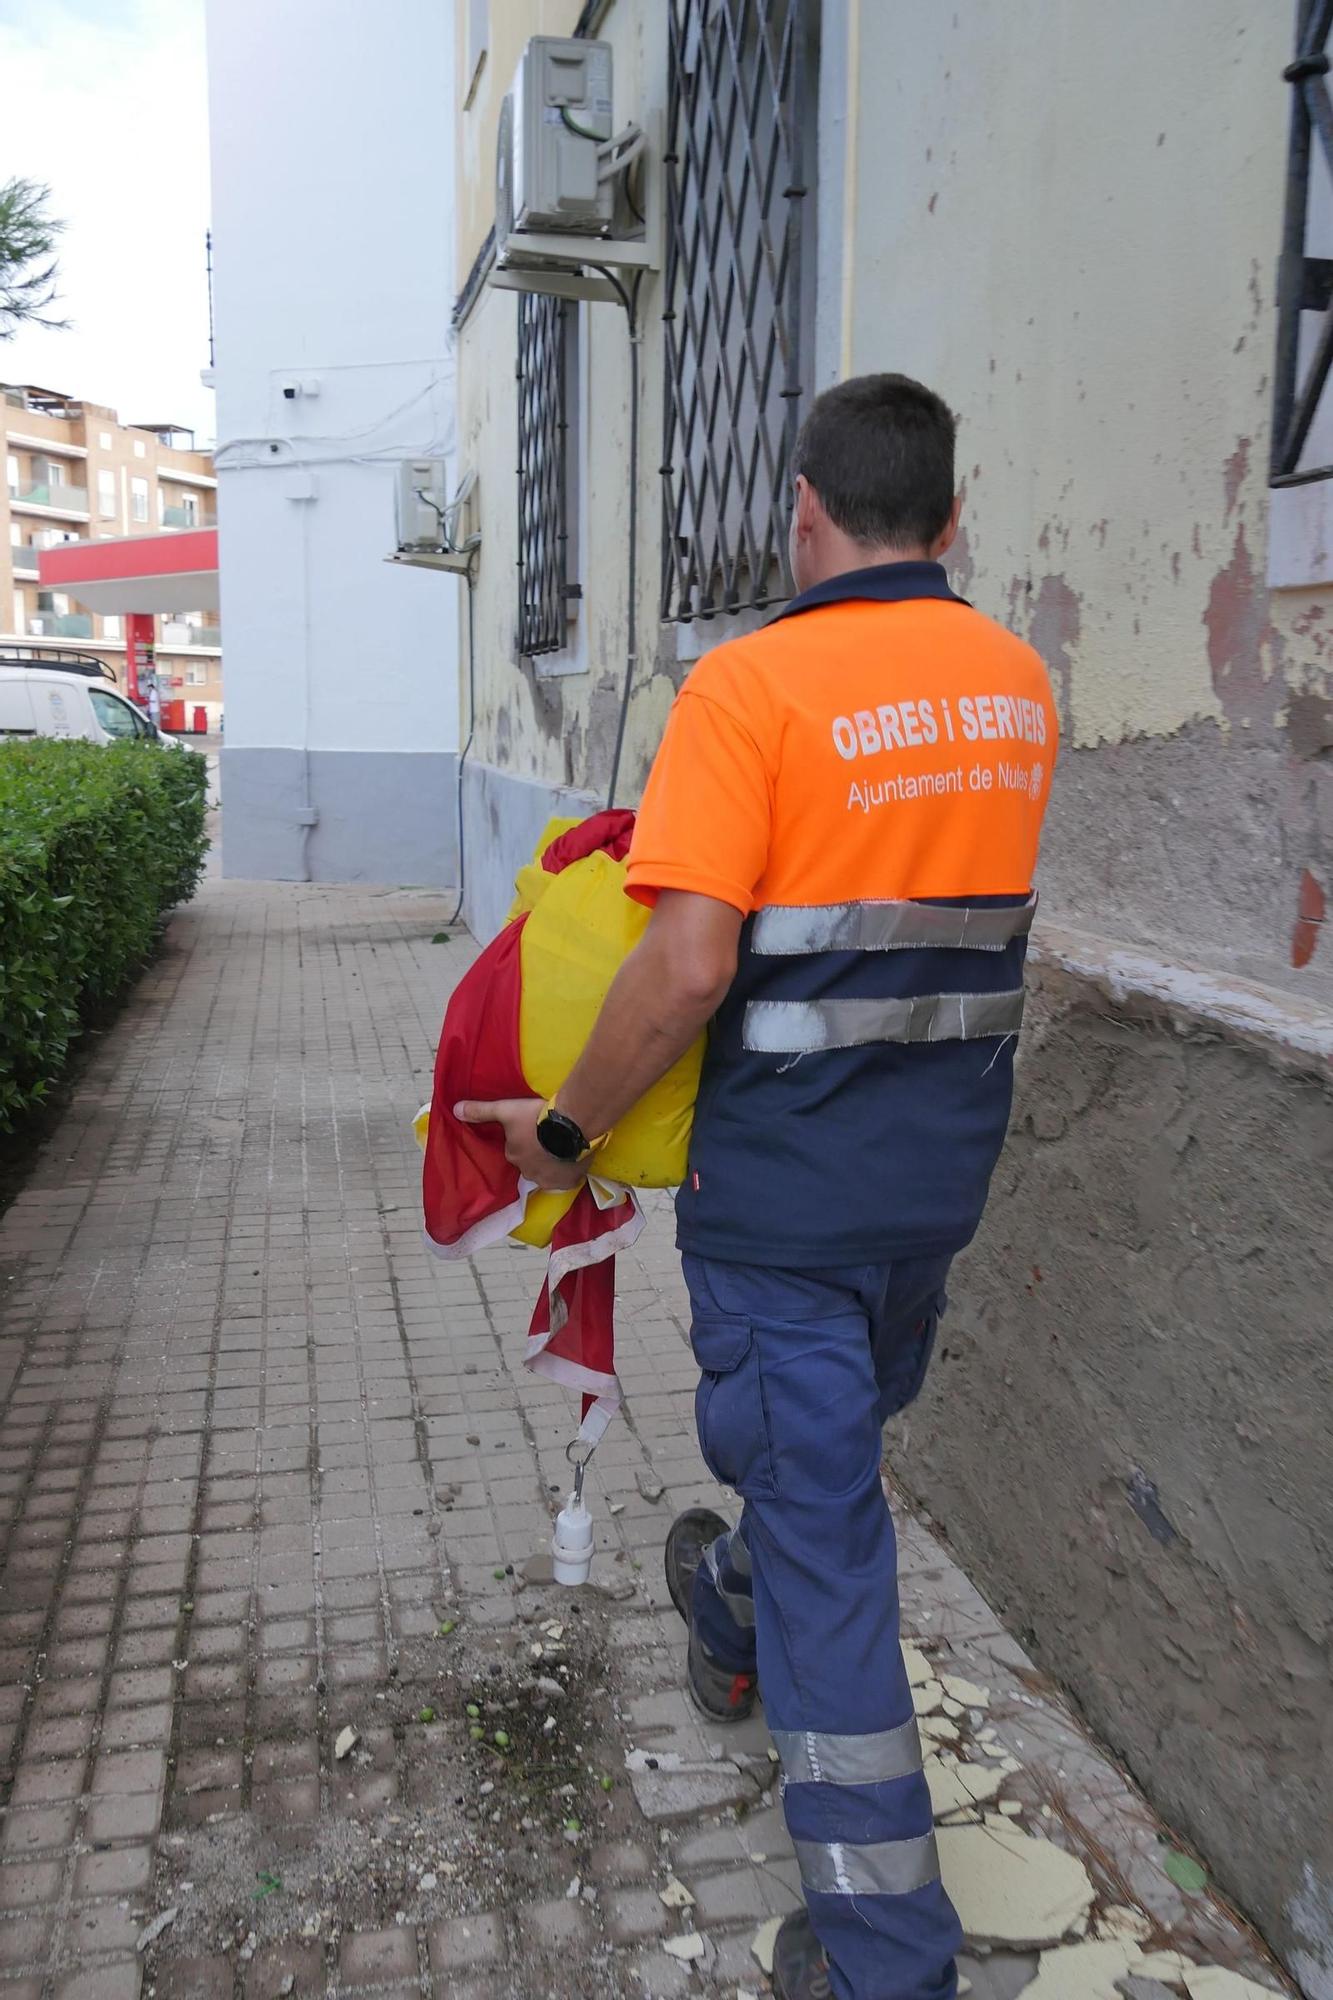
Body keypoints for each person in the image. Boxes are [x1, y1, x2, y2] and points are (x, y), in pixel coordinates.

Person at [457, 373, 1057, 2000]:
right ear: (950, 520)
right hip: (930, 1193)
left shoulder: (750, 687)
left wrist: (566, 1137)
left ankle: (880, 1956)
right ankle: (730, 1615)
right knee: (814, 1459)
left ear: (801, 512)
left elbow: (685, 965)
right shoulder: (1014, 688)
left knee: (826, 1532)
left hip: (784, 1197)